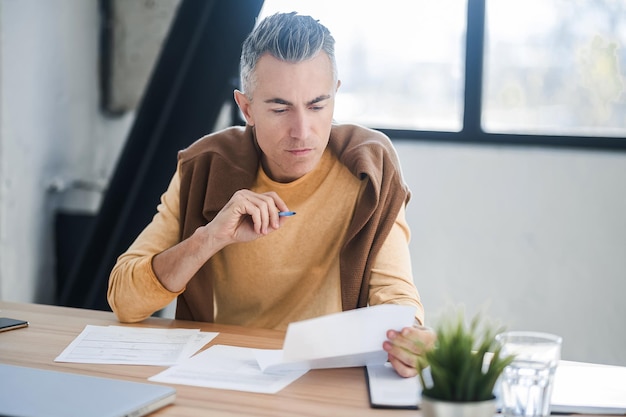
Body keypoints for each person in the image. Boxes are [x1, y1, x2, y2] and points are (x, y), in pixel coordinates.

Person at [108, 11, 434, 377]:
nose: (302, 131)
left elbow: (395, 296)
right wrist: (209, 238)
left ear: (335, 97)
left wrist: (409, 339)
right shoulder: (205, 166)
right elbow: (125, 300)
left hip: (327, 378)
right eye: (280, 108)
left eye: (317, 105)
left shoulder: (369, 165)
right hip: (228, 376)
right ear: (246, 108)